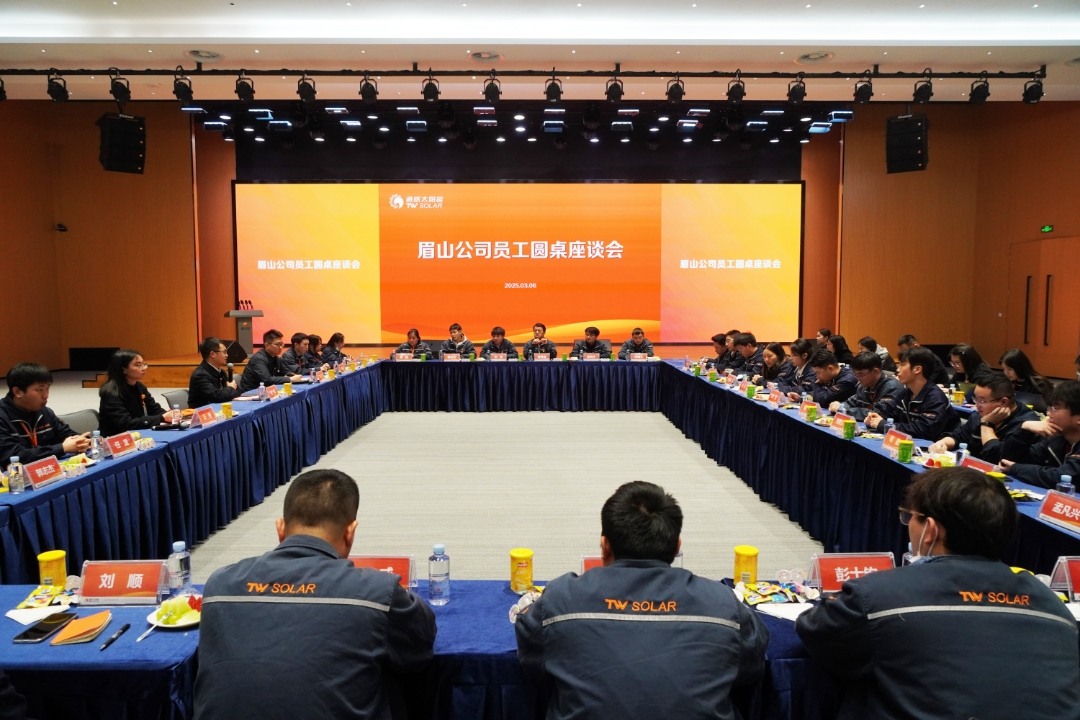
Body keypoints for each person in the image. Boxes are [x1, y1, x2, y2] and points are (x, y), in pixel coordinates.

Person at [796, 466, 1080, 720]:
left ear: (930, 530)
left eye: (910, 517)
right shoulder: (1054, 605)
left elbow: (816, 631)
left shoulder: (878, 595)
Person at [194, 469, 436, 720]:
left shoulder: (219, 585)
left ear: (280, 529)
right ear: (350, 532)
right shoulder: (377, 592)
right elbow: (419, 648)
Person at [515, 481, 768, 720]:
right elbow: (753, 664)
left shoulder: (559, 599)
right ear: (677, 546)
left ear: (604, 546)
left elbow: (531, 658)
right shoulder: (723, 604)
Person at [929, 373, 1038, 465]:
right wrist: (943, 443)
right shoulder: (979, 415)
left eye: (982, 401)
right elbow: (960, 435)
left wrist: (987, 425)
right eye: (975, 399)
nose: (977, 406)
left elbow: (997, 460)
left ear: (1003, 402)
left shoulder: (1026, 426)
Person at [0, 362, 90, 470]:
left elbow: (64, 433)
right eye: (39, 390)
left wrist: (80, 441)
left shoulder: (44, 412)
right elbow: (11, 456)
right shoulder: (2, 416)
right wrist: (61, 448)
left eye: (47, 388)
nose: (46, 395)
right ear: (17, 392)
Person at [1000, 380, 1080, 488]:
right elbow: (1008, 461)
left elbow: (1062, 477)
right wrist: (1024, 430)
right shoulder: (1057, 439)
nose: (1048, 413)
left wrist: (1016, 468)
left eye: (1055, 409)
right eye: (1049, 408)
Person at [865, 347, 958, 440]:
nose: (898, 370)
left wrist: (884, 425)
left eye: (902, 365)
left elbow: (923, 430)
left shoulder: (935, 398)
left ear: (917, 369)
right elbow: (887, 409)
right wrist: (874, 415)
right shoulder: (906, 393)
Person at [98, 350, 182, 436]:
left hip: (136, 433)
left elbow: (153, 409)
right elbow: (126, 423)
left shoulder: (139, 386)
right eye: (138, 365)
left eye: (143, 364)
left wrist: (168, 415)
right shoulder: (111, 393)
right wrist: (161, 418)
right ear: (123, 370)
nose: (143, 368)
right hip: (116, 438)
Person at [834, 352, 903, 421]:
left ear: (875, 371)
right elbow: (851, 402)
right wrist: (841, 406)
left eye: (860, 375)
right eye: (855, 374)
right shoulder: (863, 385)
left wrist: (844, 410)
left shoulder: (892, 387)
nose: (857, 378)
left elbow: (877, 413)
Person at [188, 337, 241, 409]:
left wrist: (230, 390)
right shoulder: (200, 375)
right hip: (202, 413)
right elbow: (216, 397)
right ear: (213, 354)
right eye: (224, 352)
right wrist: (231, 388)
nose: (227, 355)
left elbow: (237, 391)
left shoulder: (221, 372)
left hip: (220, 409)